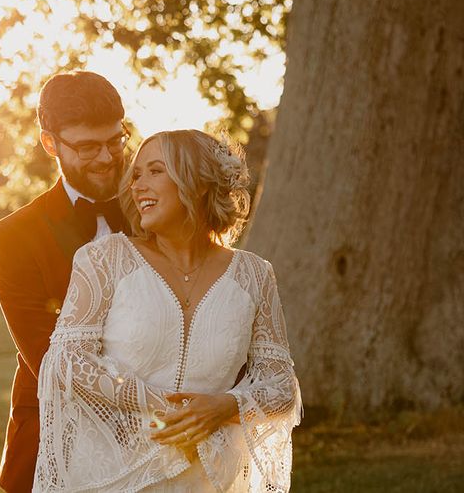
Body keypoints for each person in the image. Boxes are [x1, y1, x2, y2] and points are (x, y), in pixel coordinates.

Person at [34, 129, 302, 492]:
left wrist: (225, 406)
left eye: (155, 171)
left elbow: (281, 384)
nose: (137, 185)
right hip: (115, 478)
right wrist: (166, 406)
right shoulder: (104, 260)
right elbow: (67, 359)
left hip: (211, 480)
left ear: (199, 182)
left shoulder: (254, 275)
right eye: (137, 174)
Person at [0, 71, 132, 492]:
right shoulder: (13, 236)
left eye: (115, 140)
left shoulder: (157, 210)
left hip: (163, 434)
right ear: (50, 143)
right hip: (55, 431)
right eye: (88, 147)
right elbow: (46, 355)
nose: (106, 158)